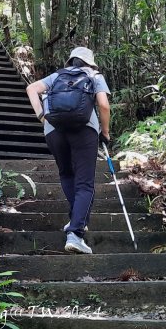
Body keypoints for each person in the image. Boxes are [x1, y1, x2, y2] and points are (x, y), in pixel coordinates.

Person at [25, 47, 111, 254]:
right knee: (85, 183)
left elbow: (31, 89)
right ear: (90, 62)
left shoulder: (57, 76)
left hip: (53, 130)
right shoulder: (93, 75)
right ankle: (75, 233)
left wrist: (41, 116)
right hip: (84, 130)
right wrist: (105, 132)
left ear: (71, 61)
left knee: (66, 173)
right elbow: (104, 105)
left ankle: (76, 220)